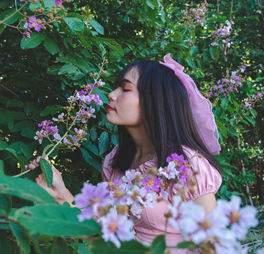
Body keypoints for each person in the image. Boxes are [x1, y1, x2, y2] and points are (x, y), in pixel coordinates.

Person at [34, 54, 223, 252]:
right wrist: (60, 192)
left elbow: (210, 246)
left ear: (155, 101)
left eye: (125, 89)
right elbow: (102, 230)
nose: (111, 95)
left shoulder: (187, 164)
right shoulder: (114, 162)